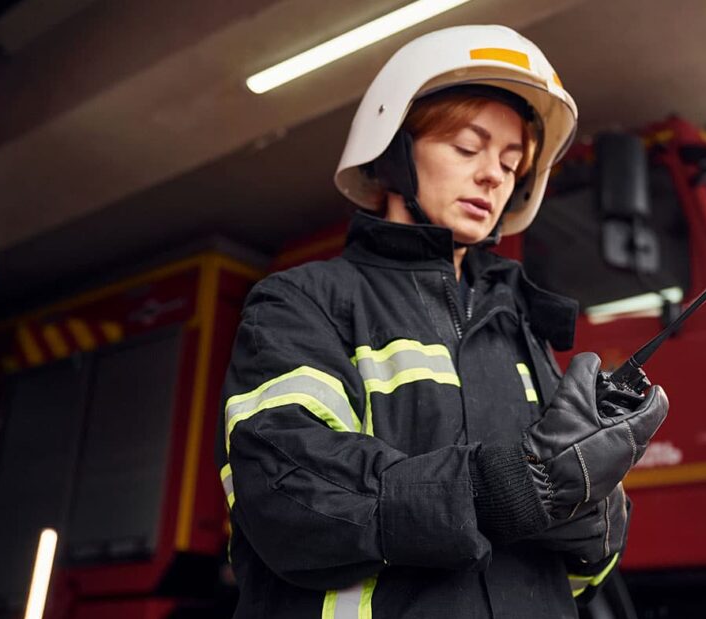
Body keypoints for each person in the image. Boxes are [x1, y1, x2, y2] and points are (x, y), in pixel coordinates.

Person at [215, 24, 669, 618]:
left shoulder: (521, 331)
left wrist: (590, 496)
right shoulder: (303, 302)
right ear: (396, 149)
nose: (493, 176)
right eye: (466, 147)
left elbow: (588, 568)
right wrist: (513, 486)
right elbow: (293, 497)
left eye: (512, 164)